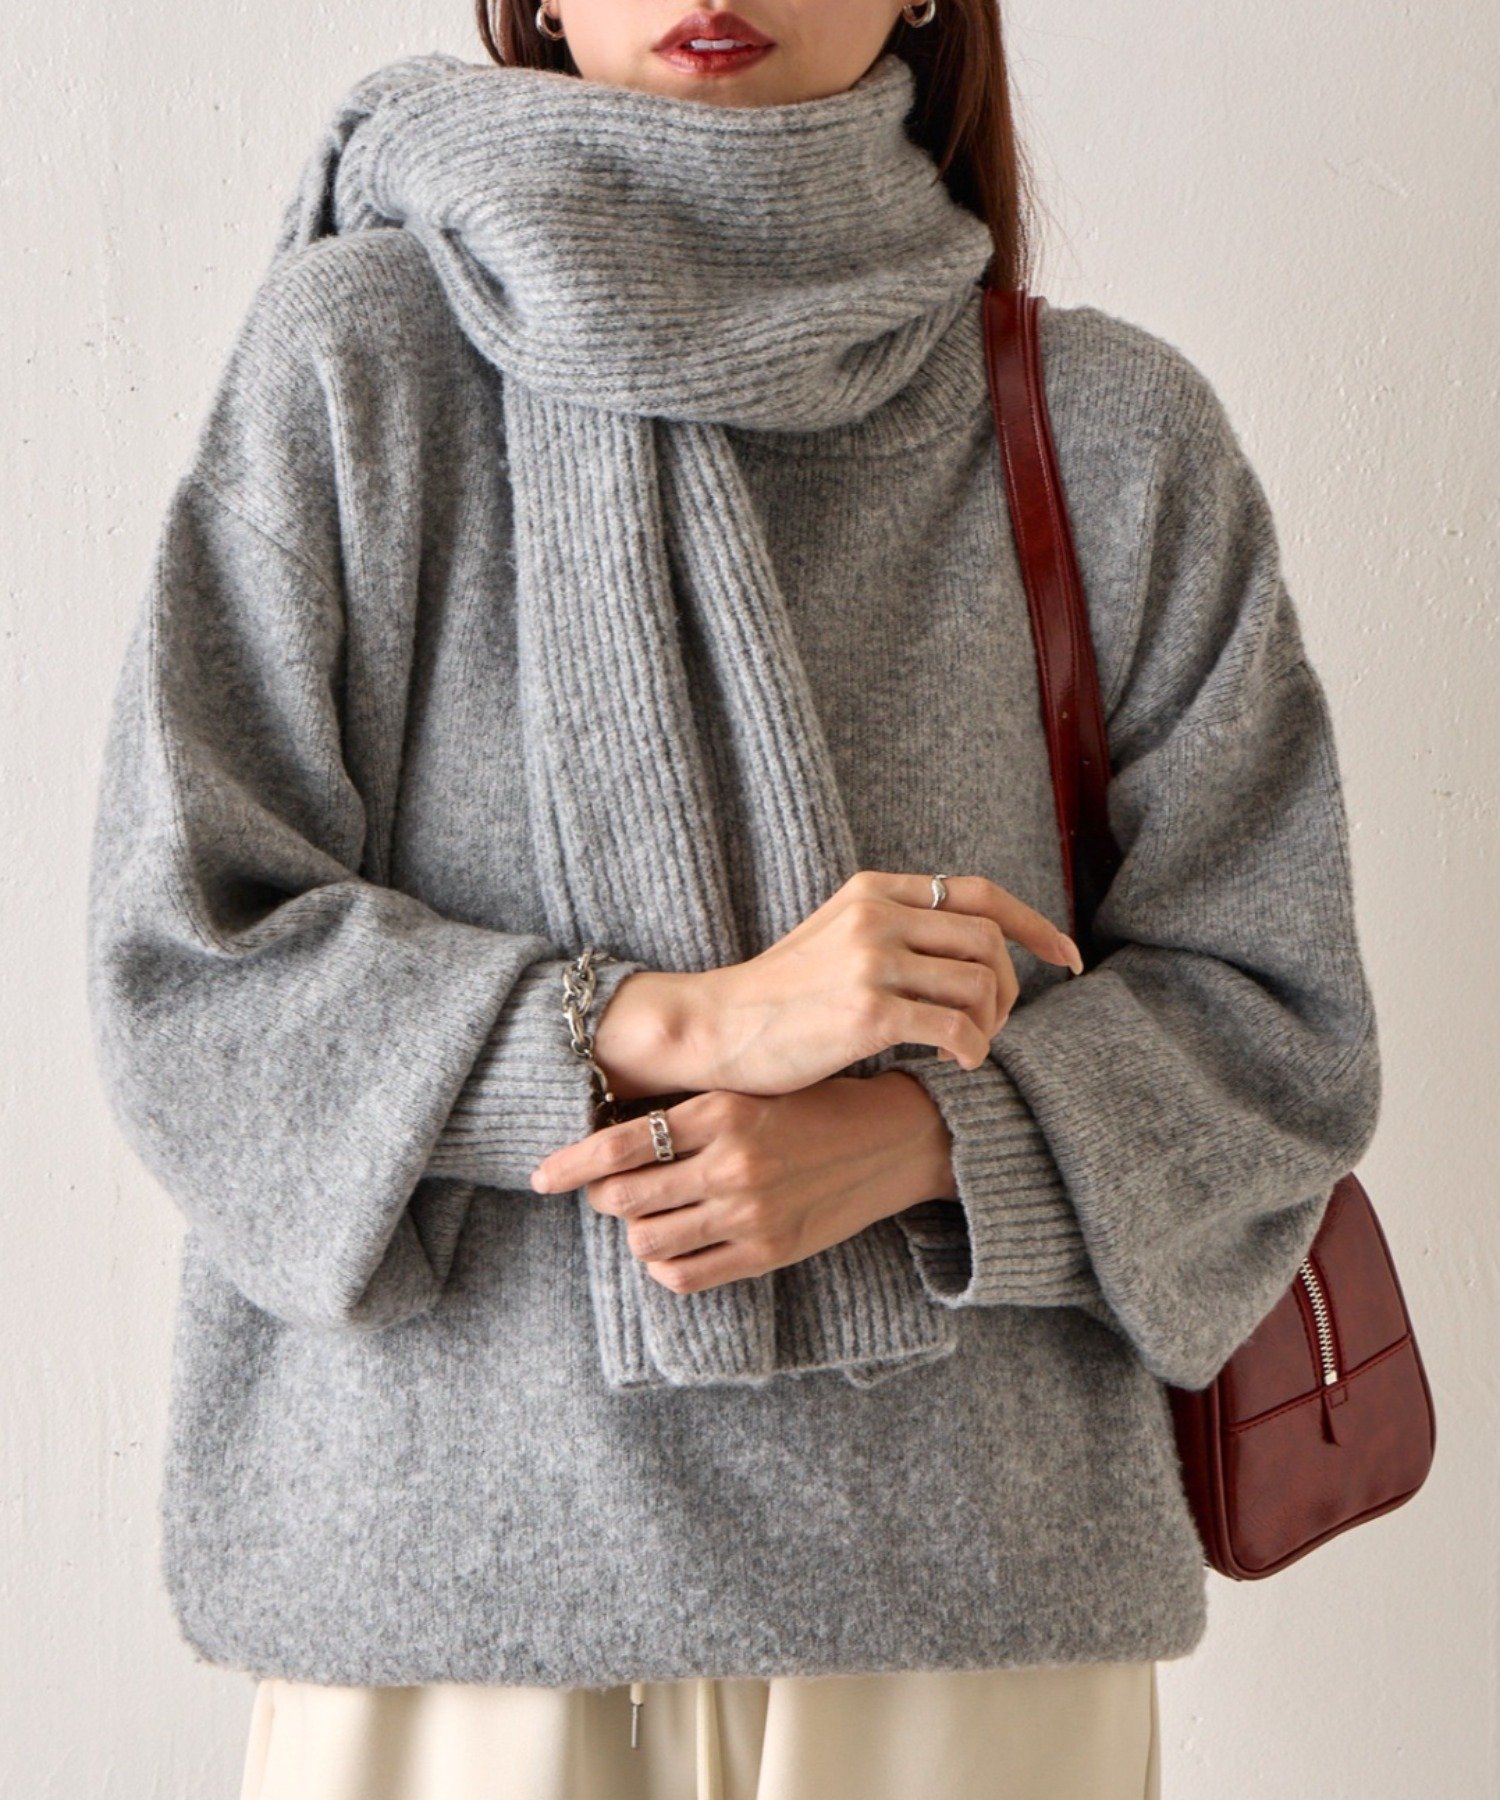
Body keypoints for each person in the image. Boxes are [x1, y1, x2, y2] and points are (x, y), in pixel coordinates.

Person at [84, 2, 1382, 1797]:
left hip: (969, 1619)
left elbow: (1278, 1030)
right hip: (448, 1623)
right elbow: (188, 967)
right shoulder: (360, 361)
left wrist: (923, 1143)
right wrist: (670, 1026)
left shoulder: (1110, 429)